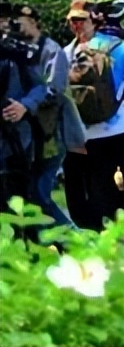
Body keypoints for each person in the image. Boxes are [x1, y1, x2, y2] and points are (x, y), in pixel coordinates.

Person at [63, 0, 124, 232]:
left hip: (83, 131)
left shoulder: (68, 52)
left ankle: (98, 231)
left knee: (95, 182)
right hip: (116, 127)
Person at [13, 3, 85, 226]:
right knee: (29, 193)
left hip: (53, 133)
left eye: (19, 22)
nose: (14, 26)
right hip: (29, 136)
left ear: (33, 22)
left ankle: (74, 238)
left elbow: (53, 89)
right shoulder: (18, 49)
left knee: (40, 192)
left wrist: (26, 104)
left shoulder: (51, 51)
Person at [1, 13, 49, 212]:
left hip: (15, 139)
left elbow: (40, 87)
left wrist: (25, 106)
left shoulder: (17, 53)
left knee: (15, 202)